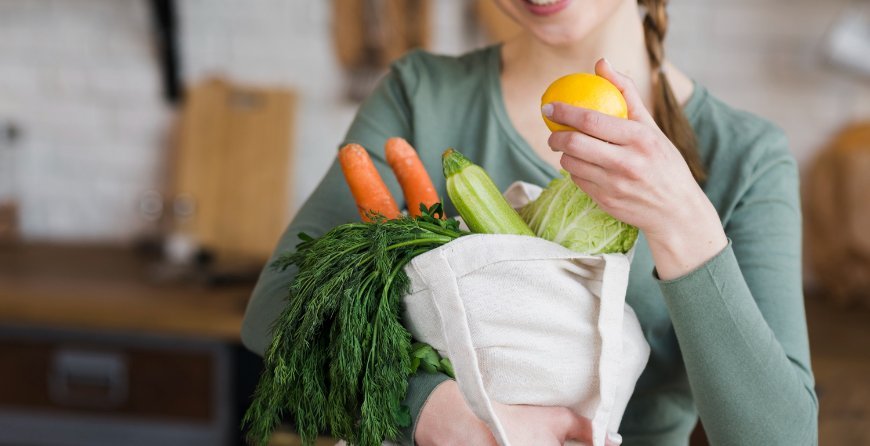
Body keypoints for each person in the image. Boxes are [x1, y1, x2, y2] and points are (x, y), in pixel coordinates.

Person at [241, 0, 819, 444]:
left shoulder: (747, 156)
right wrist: (433, 414)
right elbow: (277, 310)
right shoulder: (421, 96)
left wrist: (682, 221)